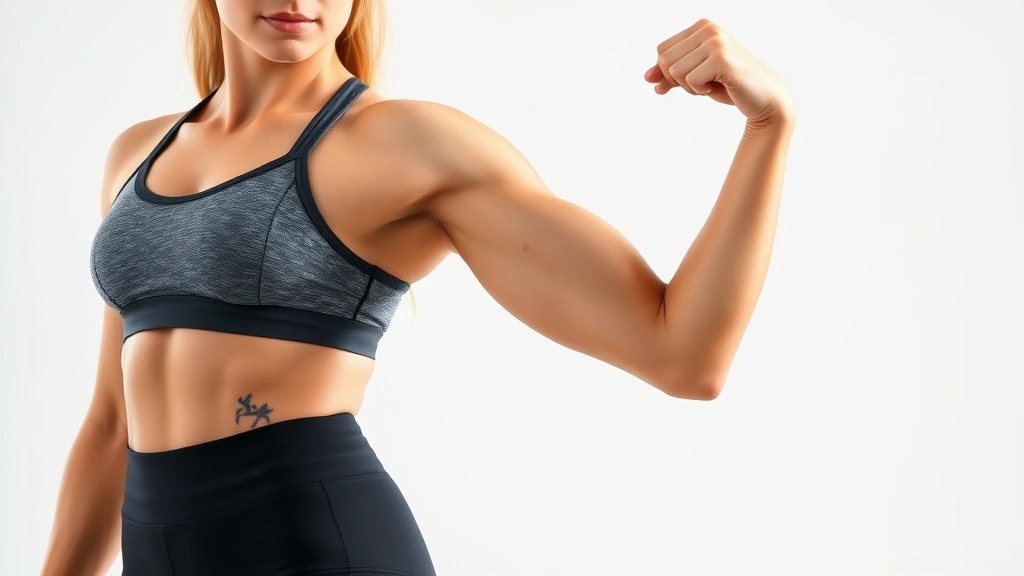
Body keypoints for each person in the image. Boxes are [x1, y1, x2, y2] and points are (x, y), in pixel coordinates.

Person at [41, 0, 795, 574]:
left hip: (315, 544)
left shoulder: (406, 145)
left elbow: (684, 355)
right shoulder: (137, 154)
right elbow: (112, 422)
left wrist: (769, 128)